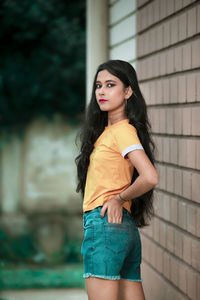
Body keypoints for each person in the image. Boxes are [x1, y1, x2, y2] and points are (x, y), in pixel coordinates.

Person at [75, 59, 159, 300]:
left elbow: (150, 176)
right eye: (98, 85)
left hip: (103, 225)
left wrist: (118, 198)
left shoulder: (122, 130)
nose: (101, 91)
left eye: (110, 84)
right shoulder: (109, 132)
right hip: (124, 229)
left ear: (128, 91)